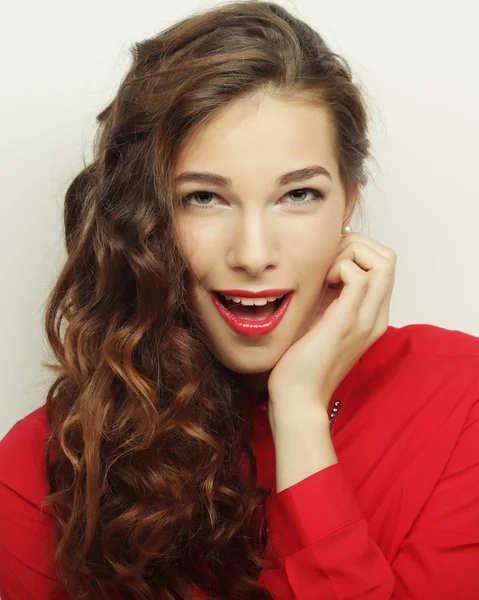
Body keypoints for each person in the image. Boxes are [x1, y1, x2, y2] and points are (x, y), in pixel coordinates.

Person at [1, 1, 479, 598]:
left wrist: (300, 414)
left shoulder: (464, 402)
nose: (253, 255)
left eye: (298, 194)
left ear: (349, 199)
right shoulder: (45, 463)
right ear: (146, 215)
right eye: (204, 198)